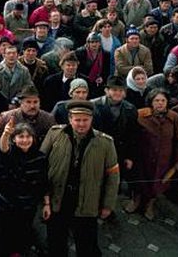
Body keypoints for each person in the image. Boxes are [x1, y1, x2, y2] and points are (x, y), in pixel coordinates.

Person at [41, 100, 120, 257]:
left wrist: (108, 205)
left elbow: (113, 177)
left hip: (87, 203)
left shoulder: (105, 142)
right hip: (58, 200)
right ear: (70, 119)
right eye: (77, 120)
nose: (81, 124)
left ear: (92, 119)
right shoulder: (55, 134)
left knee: (87, 245)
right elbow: (41, 167)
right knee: (56, 243)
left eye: (85, 120)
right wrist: (45, 201)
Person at [125, 89, 178, 220]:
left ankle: (149, 205)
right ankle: (136, 200)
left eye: (163, 100)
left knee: (157, 183)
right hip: (142, 157)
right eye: (156, 100)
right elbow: (131, 136)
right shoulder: (140, 114)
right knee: (139, 181)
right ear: (151, 102)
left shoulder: (175, 118)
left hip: (163, 158)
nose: (160, 103)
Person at [0, 121, 48, 257]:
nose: (25, 140)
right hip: (7, 206)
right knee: (4, 238)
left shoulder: (40, 157)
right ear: (14, 139)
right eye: (21, 137)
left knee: (22, 238)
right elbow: (3, 148)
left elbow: (44, 182)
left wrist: (46, 204)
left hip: (28, 207)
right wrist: (6, 134)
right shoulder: (10, 153)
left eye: (28, 136)